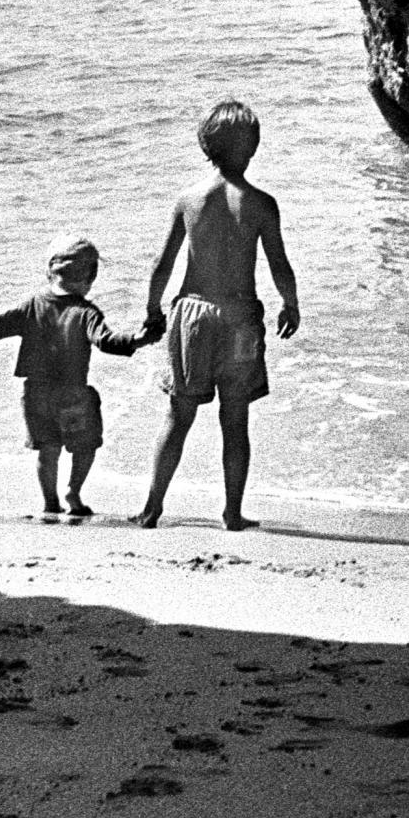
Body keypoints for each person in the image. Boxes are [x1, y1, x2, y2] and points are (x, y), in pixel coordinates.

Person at [134, 99, 301, 531]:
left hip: (192, 316)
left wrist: (153, 310)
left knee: (178, 415)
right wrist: (290, 302)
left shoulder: (189, 199)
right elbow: (279, 264)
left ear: (205, 146)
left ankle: (152, 507)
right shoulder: (262, 203)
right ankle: (231, 512)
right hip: (240, 318)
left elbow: (163, 263)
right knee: (236, 419)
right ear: (254, 147)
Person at [0, 235, 156, 518]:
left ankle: (50, 503)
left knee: (47, 450)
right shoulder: (86, 312)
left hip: (35, 393)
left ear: (50, 272)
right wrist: (136, 340)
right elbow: (105, 340)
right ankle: (73, 490)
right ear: (90, 276)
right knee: (85, 445)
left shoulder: (33, 305)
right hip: (72, 393)